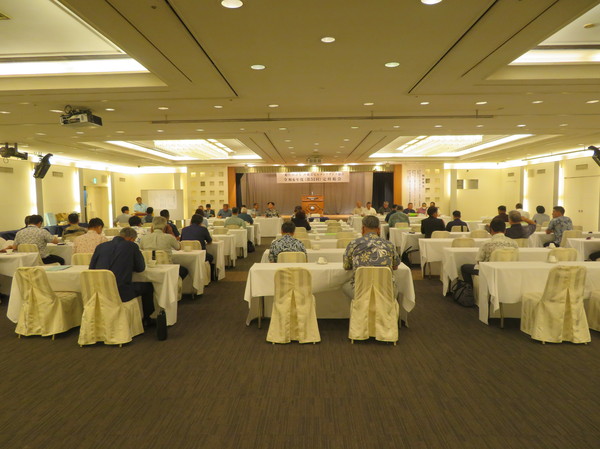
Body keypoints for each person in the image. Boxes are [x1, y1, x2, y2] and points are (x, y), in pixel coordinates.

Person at [90, 227, 155, 327]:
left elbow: (91, 269)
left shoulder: (101, 246)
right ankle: (147, 318)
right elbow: (140, 268)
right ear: (131, 239)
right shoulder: (132, 246)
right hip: (120, 292)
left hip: (99, 291)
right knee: (148, 286)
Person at [342, 215, 400, 299]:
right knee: (396, 286)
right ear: (379, 230)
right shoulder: (389, 245)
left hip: (360, 291)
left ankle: (358, 305)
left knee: (345, 286)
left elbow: (346, 266)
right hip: (386, 290)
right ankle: (389, 306)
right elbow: (395, 266)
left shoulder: (353, 244)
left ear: (362, 229)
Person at [460, 219, 518, 286]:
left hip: (488, 272)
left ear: (491, 230)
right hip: (508, 271)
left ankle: (469, 289)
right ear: (505, 230)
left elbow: (479, 261)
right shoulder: (514, 243)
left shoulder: (486, 243)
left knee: (464, 267)